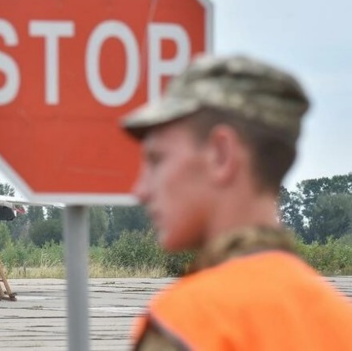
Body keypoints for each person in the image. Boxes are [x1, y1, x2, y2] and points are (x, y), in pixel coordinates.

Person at [121, 54, 352, 350]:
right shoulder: (339, 321)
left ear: (221, 155)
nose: (140, 190)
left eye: (157, 160)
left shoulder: (187, 322)